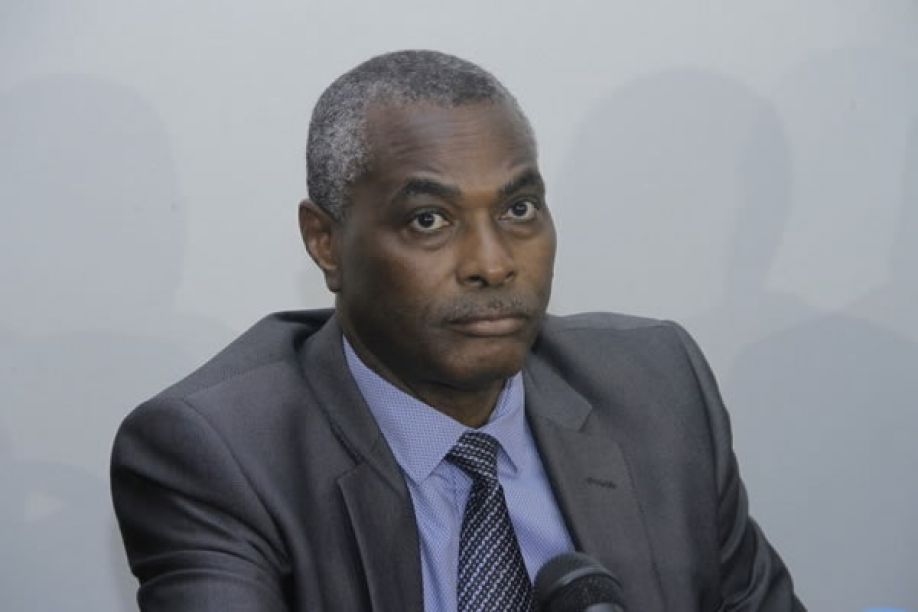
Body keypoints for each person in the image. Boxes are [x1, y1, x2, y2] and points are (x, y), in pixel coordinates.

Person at [111, 50, 803, 611]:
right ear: (325, 242)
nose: (493, 264)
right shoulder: (220, 457)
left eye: (519, 209)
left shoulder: (657, 389)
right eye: (429, 220)